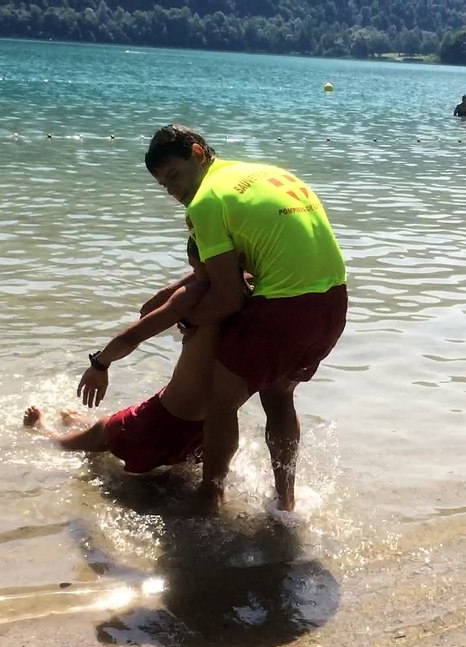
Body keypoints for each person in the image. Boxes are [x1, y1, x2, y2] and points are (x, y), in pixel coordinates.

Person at [140, 124, 348, 513]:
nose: (174, 191)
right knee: (279, 394)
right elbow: (243, 260)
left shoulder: (206, 201)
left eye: (175, 176)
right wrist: (173, 293)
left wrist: (187, 320)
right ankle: (285, 501)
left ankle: (210, 495)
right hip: (333, 304)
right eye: (164, 185)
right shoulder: (269, 174)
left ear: (199, 153)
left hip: (285, 309)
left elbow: (228, 296)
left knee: (221, 399)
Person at [25, 239, 218, 475]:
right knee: (107, 429)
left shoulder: (196, 292)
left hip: (161, 422)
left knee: (80, 439)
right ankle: (78, 423)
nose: (195, 274)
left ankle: (42, 429)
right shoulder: (255, 291)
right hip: (209, 430)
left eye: (195, 267)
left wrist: (99, 364)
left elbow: (131, 337)